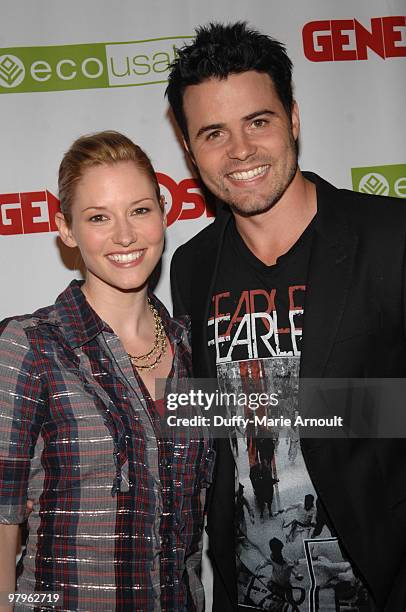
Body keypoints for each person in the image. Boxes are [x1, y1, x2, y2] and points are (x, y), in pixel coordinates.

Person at [166, 21, 406, 611]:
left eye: (258, 121)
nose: (240, 151)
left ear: (293, 118)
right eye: (213, 132)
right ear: (189, 147)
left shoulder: (390, 236)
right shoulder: (191, 264)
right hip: (252, 591)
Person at [0, 131, 214, 611]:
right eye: (99, 217)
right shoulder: (30, 347)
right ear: (67, 229)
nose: (124, 236)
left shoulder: (195, 350)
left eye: (139, 210)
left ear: (163, 211)